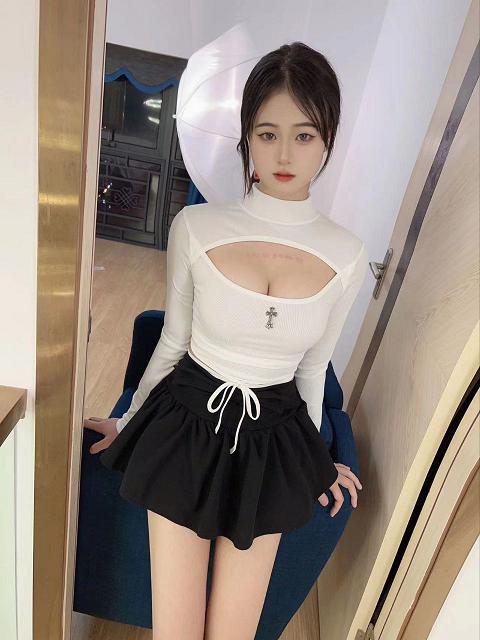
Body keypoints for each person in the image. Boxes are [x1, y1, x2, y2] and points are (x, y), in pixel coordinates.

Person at [84, 41, 367, 640]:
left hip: (274, 434)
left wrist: (318, 460)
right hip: (185, 419)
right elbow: (172, 342)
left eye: (305, 135)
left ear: (327, 140)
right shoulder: (196, 225)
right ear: (246, 139)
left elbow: (312, 370)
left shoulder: (347, 253)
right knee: (177, 630)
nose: (284, 154)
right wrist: (127, 420)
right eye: (267, 134)